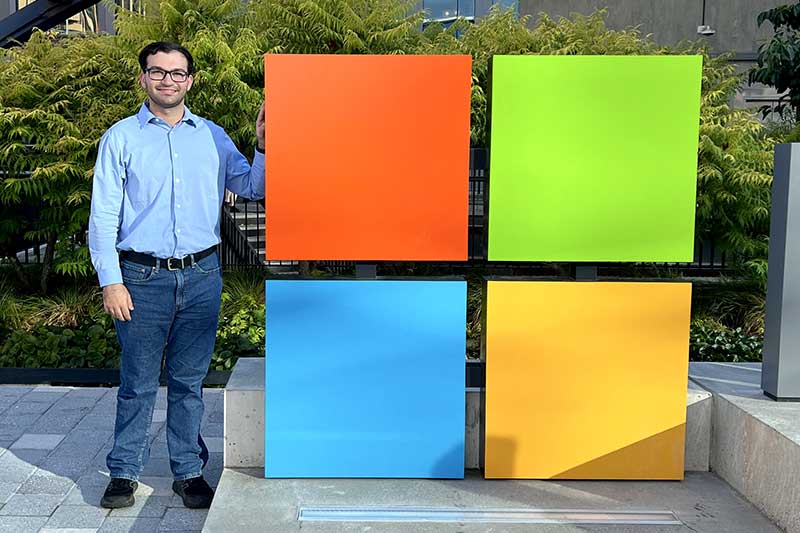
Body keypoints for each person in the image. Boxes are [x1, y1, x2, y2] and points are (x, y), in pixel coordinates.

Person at [88, 41, 265, 509]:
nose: (169, 80)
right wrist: (111, 280)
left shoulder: (212, 135)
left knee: (189, 383)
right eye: (159, 72)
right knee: (138, 381)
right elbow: (103, 216)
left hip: (203, 274)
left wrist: (264, 144)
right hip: (141, 278)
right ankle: (124, 471)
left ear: (191, 80)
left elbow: (252, 187)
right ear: (144, 78)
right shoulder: (120, 138)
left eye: (178, 72)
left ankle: (188, 471)